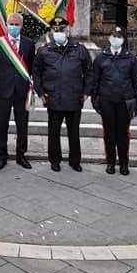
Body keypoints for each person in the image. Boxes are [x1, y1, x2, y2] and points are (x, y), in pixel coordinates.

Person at [32, 16, 92, 172]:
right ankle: (55, 160)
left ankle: (75, 161)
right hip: (53, 98)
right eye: (55, 30)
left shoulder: (79, 49)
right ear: (52, 31)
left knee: (74, 132)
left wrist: (86, 91)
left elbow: (89, 72)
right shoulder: (44, 50)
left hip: (74, 97)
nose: (59, 32)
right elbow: (36, 73)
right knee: (54, 132)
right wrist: (40, 92)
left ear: (67, 30)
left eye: (61, 30)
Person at [92, 26, 137, 175]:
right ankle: (111, 162)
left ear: (123, 40)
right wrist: (95, 100)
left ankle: (124, 163)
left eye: (119, 37)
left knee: (123, 134)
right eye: (113, 36)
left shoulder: (130, 58)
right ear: (109, 38)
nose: (116, 39)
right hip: (107, 100)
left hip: (125, 101)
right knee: (109, 133)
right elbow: (95, 80)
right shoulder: (101, 58)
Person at [0, 12, 35, 170]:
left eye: (17, 24)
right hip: (4, 90)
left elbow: (31, 67)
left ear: (21, 26)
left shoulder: (29, 44)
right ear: (7, 25)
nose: (14, 27)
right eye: (11, 24)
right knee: (2, 124)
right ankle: (2, 156)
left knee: (22, 125)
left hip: (22, 91)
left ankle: (21, 155)